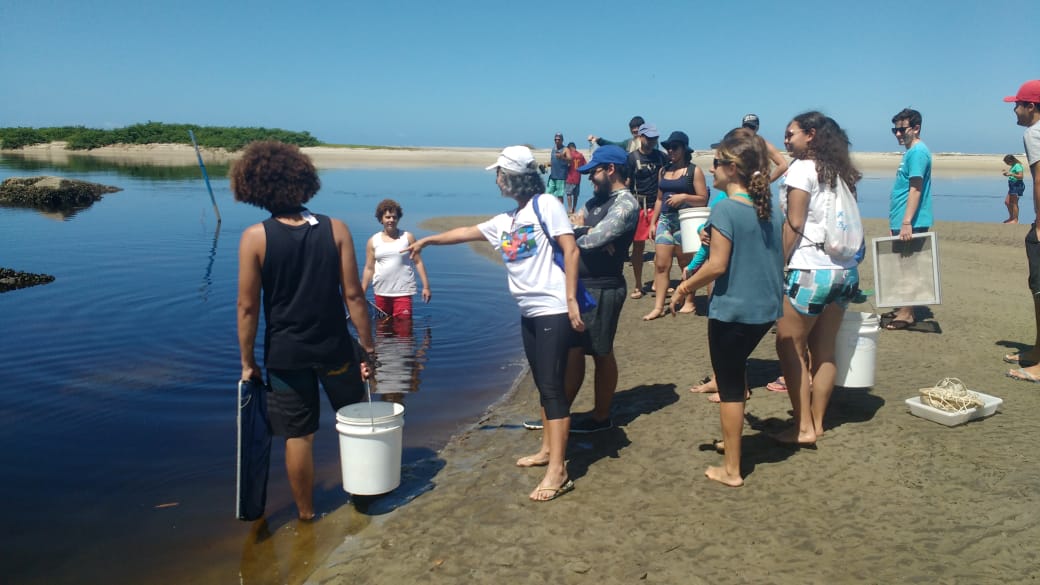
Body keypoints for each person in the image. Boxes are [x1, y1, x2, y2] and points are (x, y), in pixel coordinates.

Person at [405, 145, 584, 501]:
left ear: (514, 177)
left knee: (552, 389)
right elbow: (465, 232)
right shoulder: (507, 220)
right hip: (529, 313)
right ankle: (547, 451)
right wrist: (428, 240)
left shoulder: (546, 204)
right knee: (542, 385)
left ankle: (558, 471)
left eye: (499, 174)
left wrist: (570, 300)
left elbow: (571, 248)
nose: (497, 180)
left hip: (553, 309)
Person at [234, 141, 375, 520]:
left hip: (286, 355)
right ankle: (364, 492)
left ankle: (307, 514)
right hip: (335, 349)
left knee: (299, 436)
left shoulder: (255, 238)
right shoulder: (337, 229)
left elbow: (248, 308)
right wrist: (367, 346)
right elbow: (354, 296)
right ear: (305, 181)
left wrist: (248, 363)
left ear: (255, 188)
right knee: (354, 419)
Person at [667, 130, 784, 487]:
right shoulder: (768, 207)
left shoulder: (726, 207)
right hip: (765, 309)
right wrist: (712, 234)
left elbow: (717, 266)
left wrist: (683, 287)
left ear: (732, 169)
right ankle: (731, 442)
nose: (711, 168)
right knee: (737, 373)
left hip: (733, 312)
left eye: (716, 163)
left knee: (731, 388)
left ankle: (732, 469)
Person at [773, 112, 863, 446]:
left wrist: (777, 265)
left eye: (790, 133)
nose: (786, 139)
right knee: (824, 351)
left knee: (789, 346)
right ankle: (818, 422)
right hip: (844, 271)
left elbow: (794, 224)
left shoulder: (800, 169)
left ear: (810, 134)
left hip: (809, 269)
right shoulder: (841, 173)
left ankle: (803, 427)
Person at [565, 145, 639, 433]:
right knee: (573, 349)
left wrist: (583, 232)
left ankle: (600, 416)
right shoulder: (596, 200)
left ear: (610, 170)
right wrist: (583, 231)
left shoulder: (625, 204)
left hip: (604, 288)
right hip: (582, 285)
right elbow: (571, 224)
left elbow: (595, 237)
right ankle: (561, 413)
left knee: (600, 351)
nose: (588, 178)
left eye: (593, 172)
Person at [642, 130, 708, 320]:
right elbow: (659, 199)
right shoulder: (664, 170)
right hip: (665, 220)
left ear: (684, 149)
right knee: (661, 264)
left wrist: (684, 197)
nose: (670, 151)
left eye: (675, 147)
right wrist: (652, 223)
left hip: (685, 222)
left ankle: (689, 300)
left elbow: (703, 199)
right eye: (668, 147)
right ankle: (658, 306)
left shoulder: (693, 171)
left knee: (685, 263)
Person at [1003, 80, 1040, 382]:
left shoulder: (1034, 133)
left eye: (1017, 104)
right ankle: (1038, 350)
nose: (1014, 109)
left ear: (1031, 107)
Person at [884, 108, 933, 331]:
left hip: (911, 220)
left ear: (916, 128)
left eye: (902, 129)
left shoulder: (918, 152)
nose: (897, 134)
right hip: (902, 218)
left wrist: (906, 222)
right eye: (895, 129)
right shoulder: (910, 151)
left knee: (908, 265)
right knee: (903, 264)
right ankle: (905, 307)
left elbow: (916, 188)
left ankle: (908, 313)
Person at [361, 198, 431, 332]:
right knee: (382, 329)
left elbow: (418, 262)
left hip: (403, 291)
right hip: (381, 292)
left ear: (398, 218)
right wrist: (362, 291)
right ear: (381, 219)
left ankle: (405, 353)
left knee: (404, 329)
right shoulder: (373, 241)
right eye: (387, 217)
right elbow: (369, 268)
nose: (391, 220)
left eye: (394, 217)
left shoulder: (408, 237)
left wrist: (426, 287)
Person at [627, 123, 668, 299]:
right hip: (639, 206)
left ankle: (657, 282)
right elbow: (626, 182)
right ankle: (637, 284)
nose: (651, 141)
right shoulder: (631, 158)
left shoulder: (661, 157)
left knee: (662, 247)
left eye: (654, 138)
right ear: (640, 137)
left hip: (658, 206)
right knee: (638, 248)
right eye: (648, 138)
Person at [741, 113, 789, 182]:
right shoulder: (737, 143)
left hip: (755, 188)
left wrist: (766, 182)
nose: (748, 129)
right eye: (746, 126)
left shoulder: (763, 144)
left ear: (757, 128)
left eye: (751, 127)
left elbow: (783, 165)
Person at [564, 141, 588, 214]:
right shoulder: (580, 155)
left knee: (569, 194)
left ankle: (570, 208)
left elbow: (565, 165)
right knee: (575, 195)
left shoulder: (569, 155)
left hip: (569, 177)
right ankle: (574, 208)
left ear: (570, 148)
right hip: (578, 178)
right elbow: (585, 165)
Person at [546, 133, 569, 203]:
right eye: (555, 139)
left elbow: (570, 160)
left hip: (561, 176)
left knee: (559, 195)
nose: (557, 141)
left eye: (558, 139)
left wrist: (562, 157)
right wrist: (546, 165)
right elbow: (552, 161)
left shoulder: (565, 149)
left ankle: (560, 210)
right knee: (547, 193)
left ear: (562, 140)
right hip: (552, 175)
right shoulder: (553, 149)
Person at [1003, 154, 1025, 224]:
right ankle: (1011, 217)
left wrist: (1011, 174)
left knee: (1014, 203)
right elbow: (1013, 174)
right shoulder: (1013, 166)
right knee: (1007, 202)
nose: (1007, 164)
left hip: (1017, 185)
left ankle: (1015, 220)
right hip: (1012, 185)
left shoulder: (1018, 166)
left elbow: (1021, 176)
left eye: (1007, 162)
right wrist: (1007, 173)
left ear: (1011, 161)